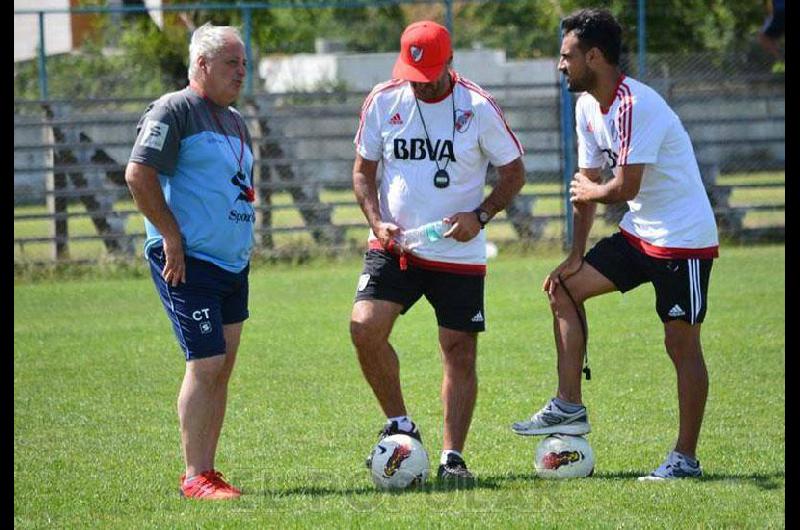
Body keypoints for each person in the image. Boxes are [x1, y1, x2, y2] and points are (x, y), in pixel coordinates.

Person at [511, 8, 719, 481]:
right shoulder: (586, 105)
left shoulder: (636, 105)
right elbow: (588, 182)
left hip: (683, 240)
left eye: (567, 56)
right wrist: (574, 256)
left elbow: (622, 186)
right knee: (563, 288)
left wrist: (590, 191)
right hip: (640, 232)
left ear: (595, 56)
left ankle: (684, 459)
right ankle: (569, 405)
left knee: (680, 343)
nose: (560, 65)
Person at [350, 20, 526, 486]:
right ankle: (402, 426)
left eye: (429, 76)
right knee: (364, 328)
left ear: (450, 63)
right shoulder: (384, 100)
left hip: (459, 252)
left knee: (459, 350)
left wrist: (482, 216)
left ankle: (452, 457)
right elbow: (363, 173)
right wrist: (375, 222)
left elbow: (514, 173)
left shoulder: (478, 107)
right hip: (396, 246)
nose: (420, 86)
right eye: (413, 75)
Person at [125, 22, 255, 499]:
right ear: (201, 65)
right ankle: (193, 476)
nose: (241, 72)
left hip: (231, 265)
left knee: (223, 365)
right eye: (231, 63)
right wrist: (171, 237)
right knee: (206, 362)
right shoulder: (174, 109)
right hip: (188, 260)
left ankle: (209, 470)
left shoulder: (235, 119)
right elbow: (138, 175)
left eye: (244, 63)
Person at [757, 0, 785, 73]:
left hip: (778, 13)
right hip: (778, 13)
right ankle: (779, 56)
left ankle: (780, 58)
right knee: (766, 38)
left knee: (762, 36)